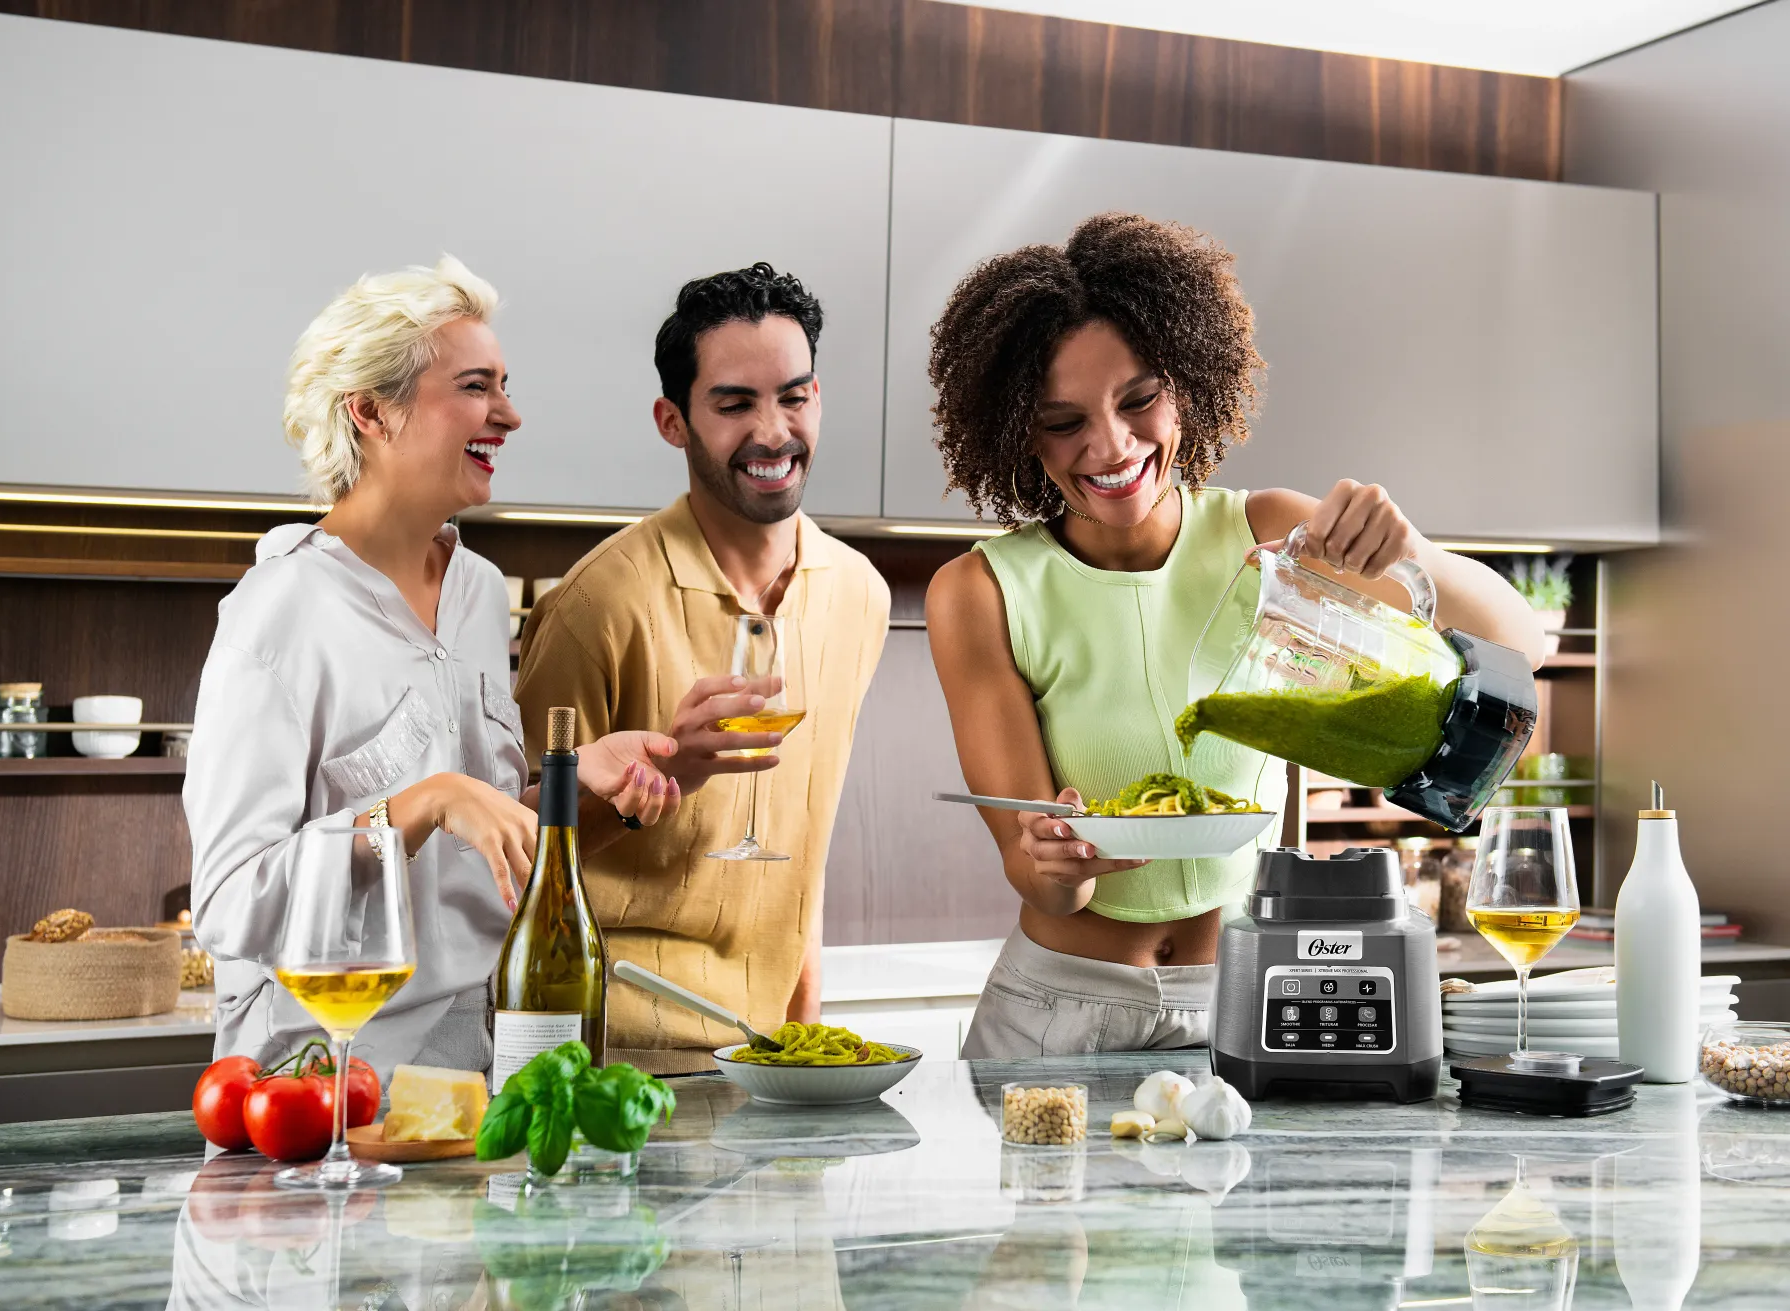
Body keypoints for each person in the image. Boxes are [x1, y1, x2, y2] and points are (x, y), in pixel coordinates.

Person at [923, 214, 1543, 1058]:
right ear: (1016, 432)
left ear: (1186, 382)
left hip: (1251, 990)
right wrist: (1054, 862)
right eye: (1062, 420)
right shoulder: (981, 592)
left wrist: (1409, 553)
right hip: (1058, 1010)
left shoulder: (1276, 534)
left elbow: (1519, 640)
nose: (1110, 445)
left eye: (1138, 399)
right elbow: (1038, 878)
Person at [185, 257, 679, 1080]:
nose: (510, 415)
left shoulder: (480, 591)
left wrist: (574, 779)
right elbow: (232, 901)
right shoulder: (279, 611)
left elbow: (462, 840)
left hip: (469, 1068)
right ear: (373, 412)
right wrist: (427, 800)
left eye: (505, 385)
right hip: (315, 1079)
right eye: (477, 387)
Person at [514, 263, 890, 1074]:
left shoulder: (859, 595)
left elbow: (805, 848)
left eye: (794, 396)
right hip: (610, 1046)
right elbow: (521, 852)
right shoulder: (596, 603)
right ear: (672, 421)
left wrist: (804, 1038)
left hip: (764, 1055)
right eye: (734, 404)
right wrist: (664, 777)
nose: (773, 431)